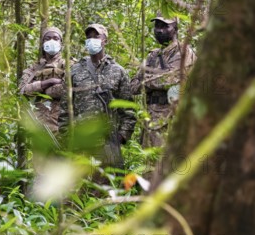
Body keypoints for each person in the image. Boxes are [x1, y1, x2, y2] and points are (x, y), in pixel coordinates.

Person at [58, 23, 135, 169]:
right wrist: (67, 138)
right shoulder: (74, 72)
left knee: (105, 188)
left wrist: (122, 136)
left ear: (105, 40)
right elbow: (64, 110)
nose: (91, 40)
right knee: (80, 189)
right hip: (80, 144)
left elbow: (128, 109)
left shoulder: (118, 71)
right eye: (88, 37)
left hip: (107, 143)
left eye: (96, 36)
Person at [131, 14, 196, 147]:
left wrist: (146, 80)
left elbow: (171, 80)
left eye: (165, 26)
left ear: (175, 28)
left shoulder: (184, 52)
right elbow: (133, 86)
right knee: (149, 164)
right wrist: (155, 80)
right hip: (150, 119)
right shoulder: (153, 56)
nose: (159, 30)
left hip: (172, 118)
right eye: (157, 26)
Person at [19, 26, 65, 135]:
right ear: (42, 43)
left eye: (55, 38)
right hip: (38, 122)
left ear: (61, 43)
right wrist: (49, 82)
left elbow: (69, 89)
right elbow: (22, 90)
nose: (51, 41)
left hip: (62, 121)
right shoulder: (34, 68)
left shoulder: (69, 65)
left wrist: (42, 90)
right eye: (47, 38)